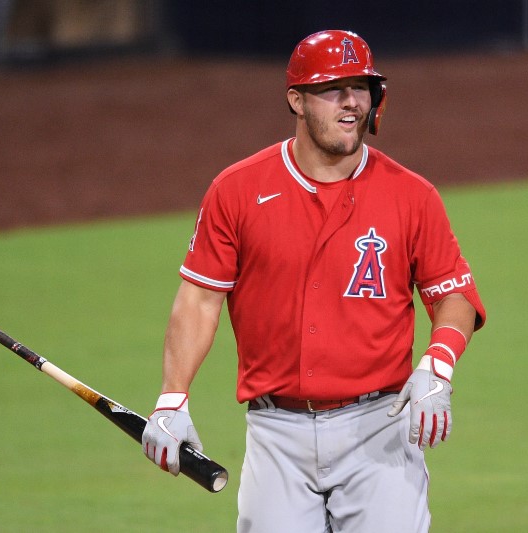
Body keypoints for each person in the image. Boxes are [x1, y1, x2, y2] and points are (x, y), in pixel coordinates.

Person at [141, 29, 486, 533]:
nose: (351, 103)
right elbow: (199, 299)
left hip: (380, 434)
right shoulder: (237, 191)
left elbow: (452, 292)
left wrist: (438, 363)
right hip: (275, 433)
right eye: (333, 90)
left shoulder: (412, 195)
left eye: (360, 88)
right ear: (296, 101)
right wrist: (173, 396)